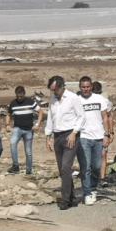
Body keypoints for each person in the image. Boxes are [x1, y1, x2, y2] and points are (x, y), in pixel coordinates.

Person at [44, 75, 86, 210]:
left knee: (66, 167)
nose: (54, 92)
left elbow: (81, 117)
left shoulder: (73, 98)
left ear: (62, 87)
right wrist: (48, 137)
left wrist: (74, 133)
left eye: (55, 89)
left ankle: (65, 200)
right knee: (63, 171)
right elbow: (50, 118)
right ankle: (73, 197)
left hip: (70, 135)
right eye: (52, 90)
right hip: (57, 136)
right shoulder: (53, 100)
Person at [76, 76, 111, 205]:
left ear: (91, 87)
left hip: (98, 137)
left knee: (96, 166)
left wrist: (107, 135)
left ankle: (94, 188)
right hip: (84, 137)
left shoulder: (100, 99)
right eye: (83, 87)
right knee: (86, 166)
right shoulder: (76, 100)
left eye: (88, 87)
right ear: (80, 88)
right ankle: (87, 193)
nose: (85, 89)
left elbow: (105, 117)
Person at [6, 85, 42, 175]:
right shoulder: (13, 103)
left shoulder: (30, 102)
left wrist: (37, 124)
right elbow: (8, 114)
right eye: (17, 96)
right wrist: (7, 125)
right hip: (17, 128)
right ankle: (15, 166)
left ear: (24, 94)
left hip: (29, 129)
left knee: (28, 151)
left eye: (21, 96)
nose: (19, 98)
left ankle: (29, 170)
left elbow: (40, 111)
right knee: (12, 143)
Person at [92, 81, 114, 181]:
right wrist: (111, 132)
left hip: (100, 132)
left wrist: (110, 132)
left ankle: (99, 177)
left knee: (100, 155)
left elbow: (109, 117)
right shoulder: (105, 101)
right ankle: (101, 177)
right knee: (102, 155)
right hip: (99, 132)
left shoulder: (104, 101)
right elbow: (110, 117)